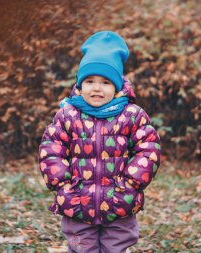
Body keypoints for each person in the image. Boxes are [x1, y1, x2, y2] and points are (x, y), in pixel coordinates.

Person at [38, 31, 161, 253]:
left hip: (119, 200)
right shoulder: (68, 115)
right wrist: (63, 184)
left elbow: (148, 149)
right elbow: (51, 150)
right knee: (82, 247)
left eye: (105, 82)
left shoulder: (132, 115)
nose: (97, 87)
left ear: (116, 87)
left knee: (116, 246)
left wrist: (130, 184)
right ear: (80, 84)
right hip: (77, 200)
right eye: (90, 81)